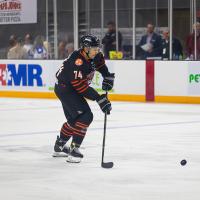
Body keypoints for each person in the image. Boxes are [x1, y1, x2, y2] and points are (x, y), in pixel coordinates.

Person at [53, 34, 115, 163]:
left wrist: (107, 76)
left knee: (75, 120)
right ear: (85, 48)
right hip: (66, 89)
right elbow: (79, 86)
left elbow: (101, 65)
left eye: (97, 48)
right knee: (86, 116)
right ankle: (74, 150)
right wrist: (99, 99)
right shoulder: (77, 60)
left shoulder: (96, 55)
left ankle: (59, 146)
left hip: (69, 88)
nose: (97, 51)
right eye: (94, 48)